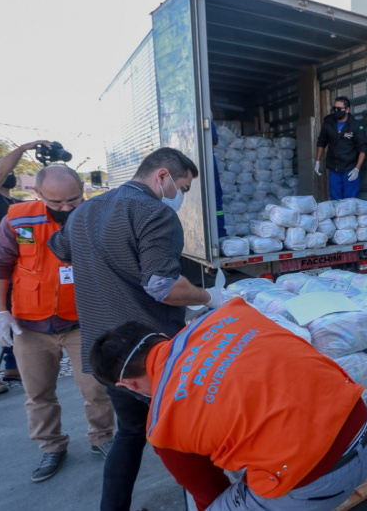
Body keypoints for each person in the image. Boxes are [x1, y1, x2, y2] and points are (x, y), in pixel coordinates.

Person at [48, 147, 225, 511]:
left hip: (105, 354)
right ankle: (217, 503)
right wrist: (210, 297)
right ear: (162, 176)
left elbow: (59, 247)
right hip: (149, 355)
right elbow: (162, 286)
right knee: (183, 437)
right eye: (182, 187)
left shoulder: (84, 212)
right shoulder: (154, 212)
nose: (181, 196)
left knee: (130, 433)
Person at [89, 298, 367, 511]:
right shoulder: (230, 313)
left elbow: (209, 494)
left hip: (315, 482)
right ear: (161, 338)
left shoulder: (164, 424)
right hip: (364, 431)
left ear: (128, 385)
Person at [0, 165, 115, 481]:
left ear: (82, 186)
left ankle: (102, 437)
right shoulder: (18, 218)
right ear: (37, 193)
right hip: (29, 326)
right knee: (38, 394)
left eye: (73, 199)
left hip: (83, 322)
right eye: (56, 202)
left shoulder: (97, 215)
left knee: (96, 387)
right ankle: (52, 446)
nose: (66, 208)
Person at [0, 143, 43, 394]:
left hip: (17, 272)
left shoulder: (18, 205)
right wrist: (25, 148)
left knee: (15, 318)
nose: (5, 173)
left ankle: (12, 366)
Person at [314, 96, 367, 200]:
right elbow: (321, 142)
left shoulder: (355, 126)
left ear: (347, 110)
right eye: (334, 108)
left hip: (349, 168)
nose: (336, 111)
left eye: (339, 109)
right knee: (335, 199)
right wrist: (317, 161)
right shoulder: (329, 123)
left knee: (350, 200)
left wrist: (357, 169)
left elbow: (363, 149)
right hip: (334, 168)